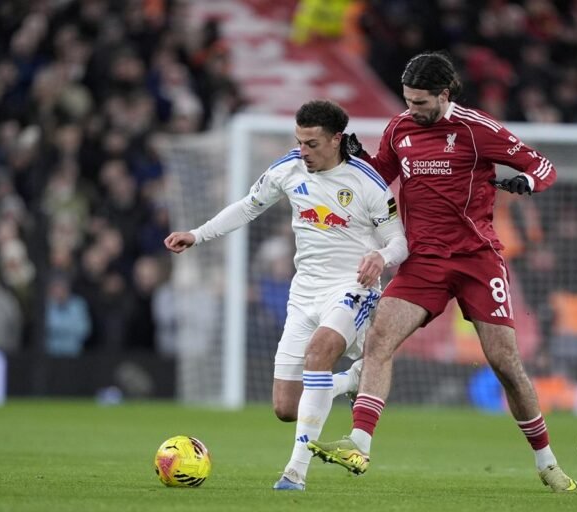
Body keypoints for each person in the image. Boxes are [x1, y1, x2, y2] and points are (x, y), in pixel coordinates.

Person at [308, 52, 577, 493]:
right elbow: (382, 175)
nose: (411, 110)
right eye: (407, 101)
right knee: (379, 338)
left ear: (444, 94)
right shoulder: (399, 129)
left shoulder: (477, 129)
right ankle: (358, 444)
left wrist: (526, 183)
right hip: (424, 261)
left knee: (505, 363)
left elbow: (541, 165)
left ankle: (547, 463)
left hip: (477, 259)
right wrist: (355, 162)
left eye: (419, 102)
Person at [164, 100, 408, 491]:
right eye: (299, 141)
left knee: (318, 352)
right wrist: (198, 234)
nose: (303, 151)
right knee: (285, 408)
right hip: (304, 293)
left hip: (351, 288)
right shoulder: (287, 169)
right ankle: (352, 380)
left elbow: (400, 242)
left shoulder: (367, 182)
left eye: (312, 143)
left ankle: (295, 472)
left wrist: (381, 256)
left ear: (336, 140)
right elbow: (248, 206)